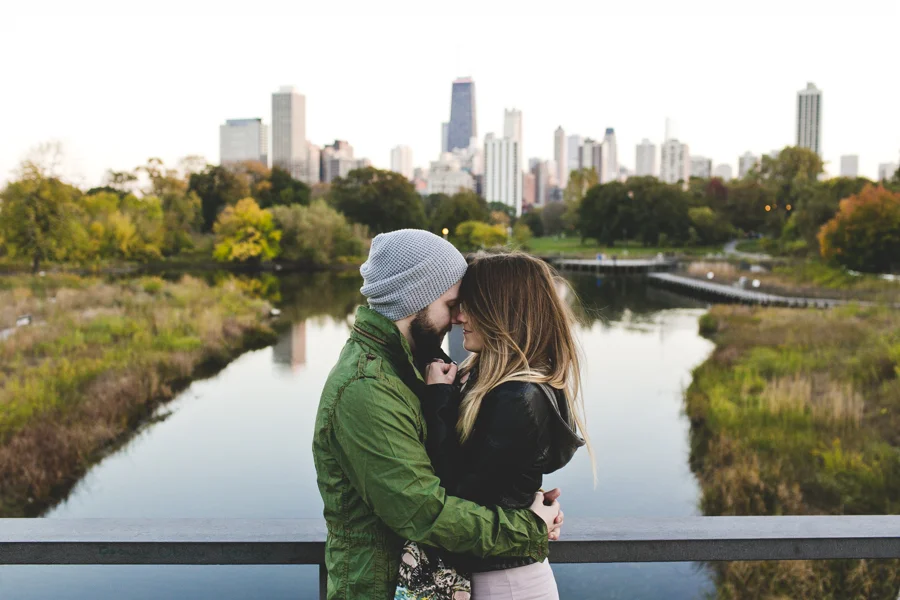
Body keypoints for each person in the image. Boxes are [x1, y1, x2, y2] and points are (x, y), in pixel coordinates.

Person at [313, 230, 563, 600]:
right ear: (416, 299)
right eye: (452, 304)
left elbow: (449, 467)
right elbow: (424, 511)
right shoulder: (366, 387)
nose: (461, 317)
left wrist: (513, 490)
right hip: (378, 591)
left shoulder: (412, 365)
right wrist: (526, 527)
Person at [420, 252, 595, 599]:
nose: (460, 317)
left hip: (505, 585)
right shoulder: (503, 382)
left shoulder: (517, 395)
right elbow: (490, 478)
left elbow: (454, 492)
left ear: (503, 312)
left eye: (472, 306)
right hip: (495, 576)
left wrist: (438, 400)